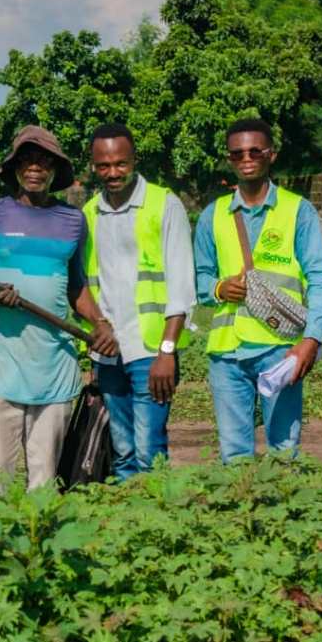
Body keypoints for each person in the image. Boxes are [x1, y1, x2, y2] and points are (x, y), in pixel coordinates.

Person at [0, 125, 118, 491]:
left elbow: (76, 285)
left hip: (54, 371)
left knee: (44, 484)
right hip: (0, 371)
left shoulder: (73, 221)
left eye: (44, 161)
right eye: (27, 160)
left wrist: (99, 323)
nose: (35, 168)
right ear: (14, 167)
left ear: (54, 170)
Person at [193, 118, 322, 463]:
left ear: (270, 154)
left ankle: (281, 517)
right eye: (237, 152)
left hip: (281, 352)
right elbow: (198, 280)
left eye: (255, 150)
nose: (246, 158)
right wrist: (217, 288)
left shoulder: (297, 211)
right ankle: (242, 517)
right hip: (227, 355)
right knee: (234, 456)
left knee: (284, 454)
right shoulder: (212, 216)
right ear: (229, 159)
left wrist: (311, 341)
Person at [82, 123, 196, 481]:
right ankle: (129, 527)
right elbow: (86, 284)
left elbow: (182, 286)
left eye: (121, 164)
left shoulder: (164, 205)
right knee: (122, 451)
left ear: (134, 160)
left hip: (150, 350)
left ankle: (155, 520)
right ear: (93, 165)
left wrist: (166, 352)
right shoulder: (88, 213)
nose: (113, 173)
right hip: (109, 350)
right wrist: (94, 346)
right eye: (104, 166)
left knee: (149, 450)